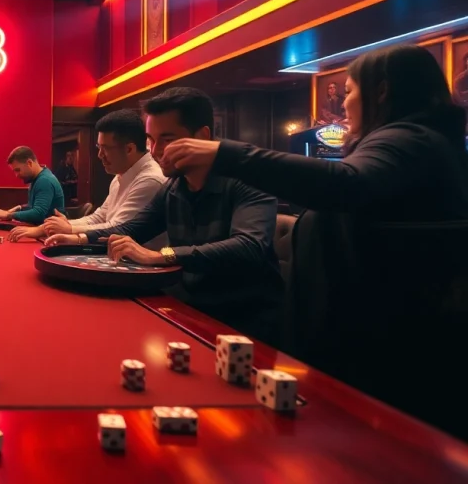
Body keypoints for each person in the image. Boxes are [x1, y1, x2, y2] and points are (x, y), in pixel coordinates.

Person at [159, 45, 468, 438]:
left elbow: (347, 185)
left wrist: (226, 154)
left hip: (385, 353)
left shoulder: (411, 139)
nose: (344, 104)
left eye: (351, 90)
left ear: (382, 91)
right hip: (365, 341)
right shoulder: (417, 139)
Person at [46, 88, 283, 345]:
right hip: (189, 309)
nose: (157, 151)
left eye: (167, 139)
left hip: (245, 323)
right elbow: (134, 227)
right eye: (151, 140)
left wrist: (162, 256)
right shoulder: (174, 186)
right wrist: (76, 239)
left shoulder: (248, 180)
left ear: (202, 136)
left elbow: (250, 246)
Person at [9, 110, 166, 242]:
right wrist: (63, 226)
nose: (99, 155)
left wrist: (69, 229)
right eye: (99, 147)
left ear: (129, 149)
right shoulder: (121, 176)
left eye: (105, 148)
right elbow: (99, 218)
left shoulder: (149, 180)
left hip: (144, 272)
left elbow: (118, 228)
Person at [0, 146, 65, 225]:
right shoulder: (39, 177)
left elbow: (38, 213)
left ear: (29, 163)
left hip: (50, 233)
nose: (16, 175)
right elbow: (34, 206)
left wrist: (9, 215)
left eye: (18, 170)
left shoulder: (44, 180)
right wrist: (19, 208)